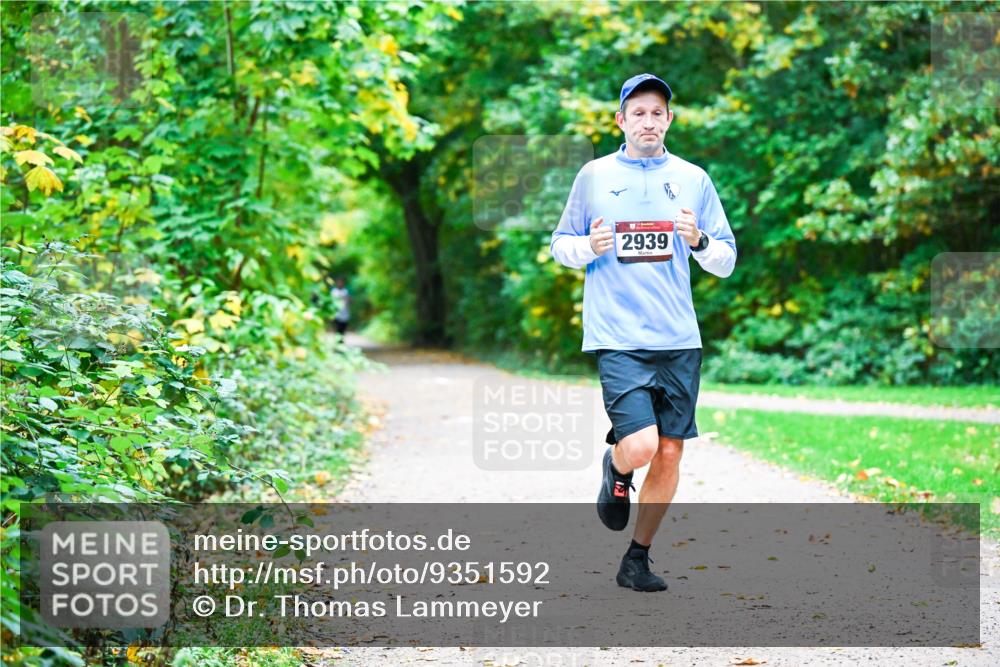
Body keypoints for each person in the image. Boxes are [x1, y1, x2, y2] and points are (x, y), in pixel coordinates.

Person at [550, 73, 737, 592]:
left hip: (679, 338)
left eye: (658, 113)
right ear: (621, 121)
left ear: (669, 120)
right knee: (641, 445)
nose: (648, 121)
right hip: (619, 337)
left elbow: (725, 260)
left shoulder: (694, 179)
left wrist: (698, 240)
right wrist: (588, 245)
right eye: (638, 113)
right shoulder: (593, 176)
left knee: (671, 452)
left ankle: (637, 558)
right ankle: (615, 467)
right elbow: (560, 245)